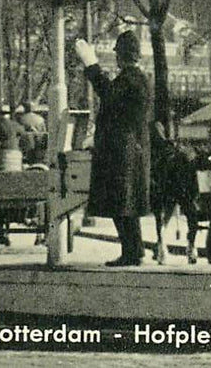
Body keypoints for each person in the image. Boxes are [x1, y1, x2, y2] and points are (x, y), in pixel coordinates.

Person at [74, 31, 152, 267]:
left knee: (122, 202)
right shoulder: (137, 78)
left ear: (122, 55)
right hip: (131, 148)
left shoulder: (130, 78)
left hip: (123, 151)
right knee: (126, 203)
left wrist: (91, 64)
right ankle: (134, 250)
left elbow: (107, 93)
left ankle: (131, 252)